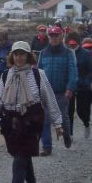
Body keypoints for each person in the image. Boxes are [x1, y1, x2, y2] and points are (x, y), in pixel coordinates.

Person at [0, 41, 62, 183]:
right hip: (10, 123)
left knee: (20, 159)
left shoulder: (38, 75)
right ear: (12, 56)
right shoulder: (5, 75)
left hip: (32, 122)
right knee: (23, 157)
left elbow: (50, 100)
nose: (19, 57)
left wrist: (58, 123)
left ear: (28, 56)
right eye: (16, 54)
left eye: (22, 54)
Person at [37, 26, 77, 155]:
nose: (54, 38)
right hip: (46, 91)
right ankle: (47, 147)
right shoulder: (43, 53)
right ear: (48, 37)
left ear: (61, 37)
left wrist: (70, 88)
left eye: (56, 36)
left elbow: (73, 71)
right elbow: (38, 71)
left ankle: (66, 136)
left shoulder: (68, 53)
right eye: (51, 36)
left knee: (62, 117)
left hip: (62, 91)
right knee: (45, 119)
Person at [65, 33, 92, 135]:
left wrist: (86, 82)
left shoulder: (85, 53)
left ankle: (86, 123)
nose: (72, 46)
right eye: (70, 45)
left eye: (74, 45)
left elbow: (91, 70)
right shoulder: (65, 53)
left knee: (82, 111)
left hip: (83, 86)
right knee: (69, 111)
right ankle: (70, 134)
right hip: (70, 87)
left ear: (77, 43)